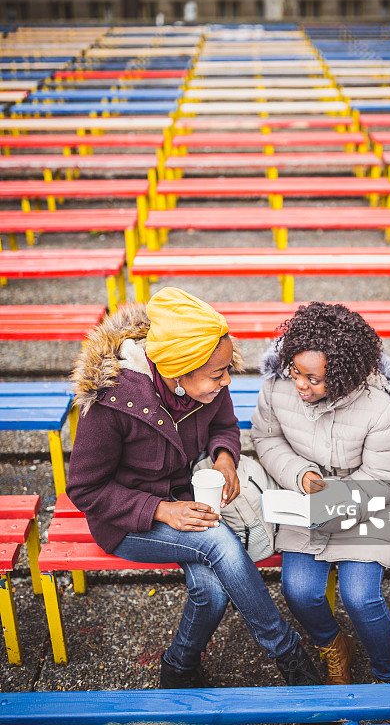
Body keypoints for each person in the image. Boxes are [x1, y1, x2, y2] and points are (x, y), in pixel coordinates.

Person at [66, 287, 321, 689]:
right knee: (218, 541)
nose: (226, 380)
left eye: (226, 370)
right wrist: (160, 510)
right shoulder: (113, 401)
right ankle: (288, 654)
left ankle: (178, 666)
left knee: (213, 591)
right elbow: (84, 488)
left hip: (185, 499)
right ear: (176, 371)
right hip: (126, 522)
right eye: (217, 374)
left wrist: (224, 457)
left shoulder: (208, 380)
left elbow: (224, 427)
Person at [251, 301, 390, 686]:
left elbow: (381, 477)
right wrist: (300, 474)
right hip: (302, 497)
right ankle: (334, 645)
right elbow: (267, 438)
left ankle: (389, 676)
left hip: (367, 501)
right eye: (296, 371)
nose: (300, 385)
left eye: (314, 379)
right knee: (299, 591)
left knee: (361, 598)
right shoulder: (277, 387)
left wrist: (328, 502)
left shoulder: (380, 407)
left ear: (343, 375)